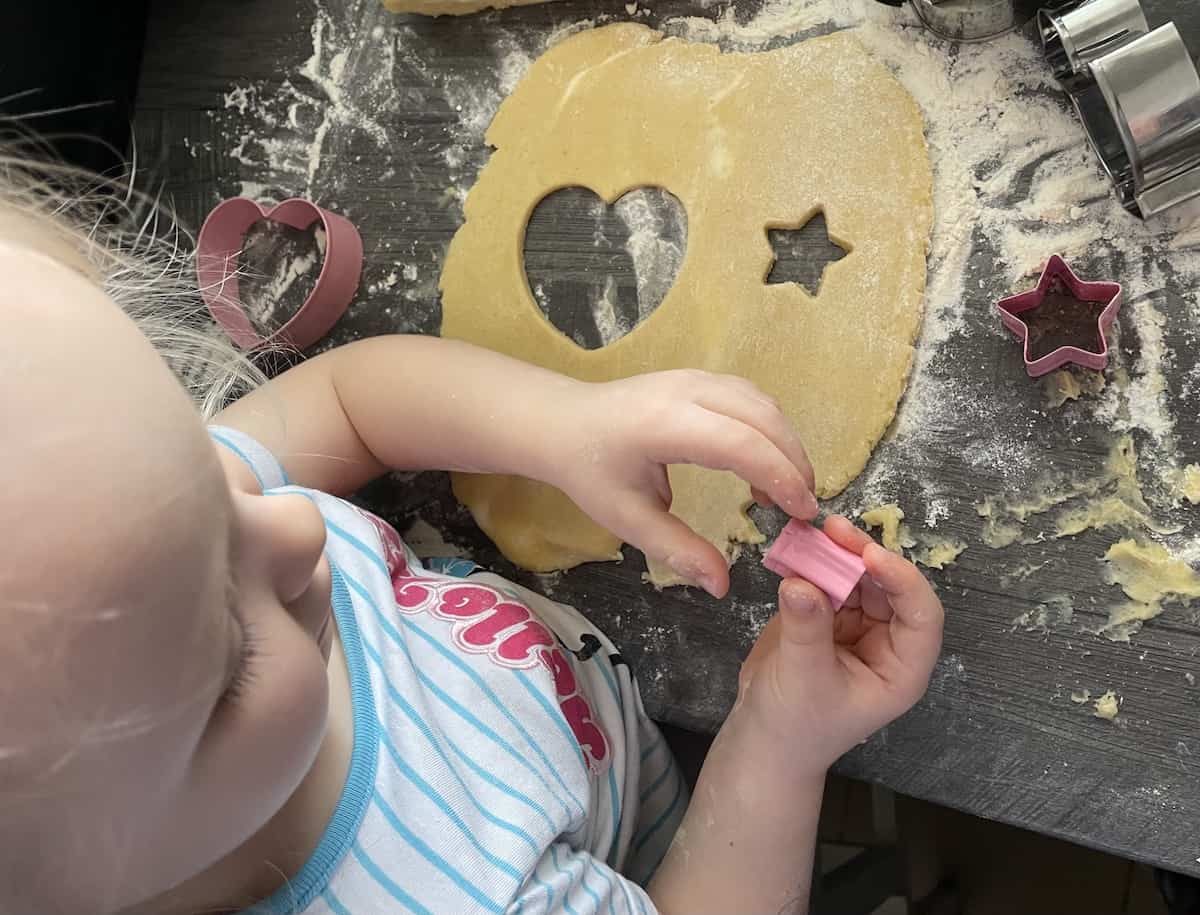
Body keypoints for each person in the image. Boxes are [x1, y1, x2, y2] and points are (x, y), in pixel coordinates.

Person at [0, 145, 945, 915]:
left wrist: (568, 423)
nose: (292, 527)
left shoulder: (148, 550)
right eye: (233, 652)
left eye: (213, 473)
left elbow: (345, 402)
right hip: (676, 841)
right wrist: (779, 740)